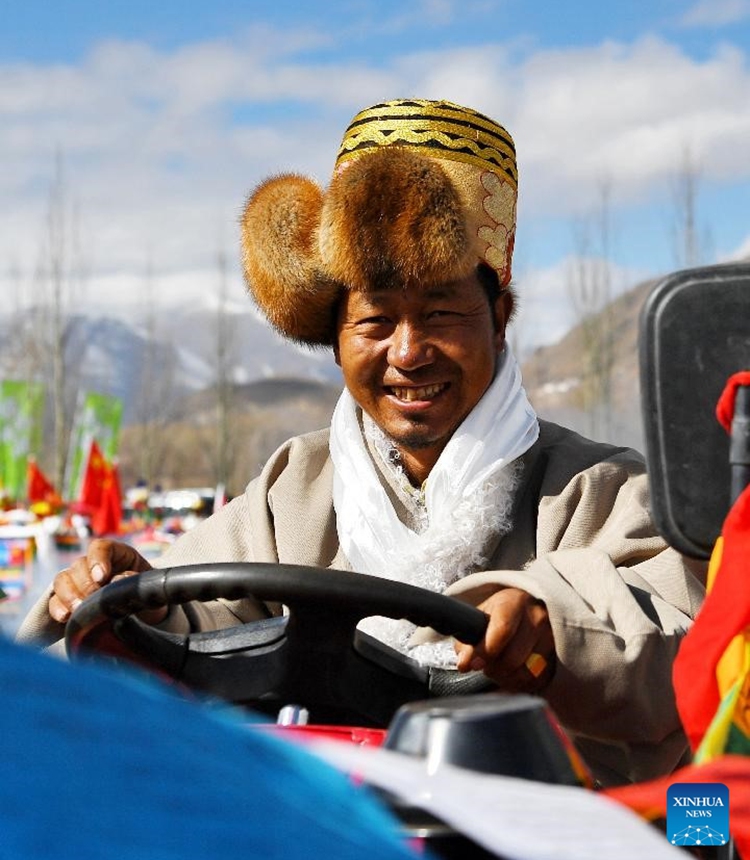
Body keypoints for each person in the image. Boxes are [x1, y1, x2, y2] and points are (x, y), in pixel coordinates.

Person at [17, 98, 706, 788]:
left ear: (499, 320)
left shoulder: (600, 491)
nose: (407, 353)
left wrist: (550, 621)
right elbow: (214, 616)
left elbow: (682, 641)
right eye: (375, 321)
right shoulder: (296, 485)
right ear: (337, 339)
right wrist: (145, 600)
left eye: (441, 313)